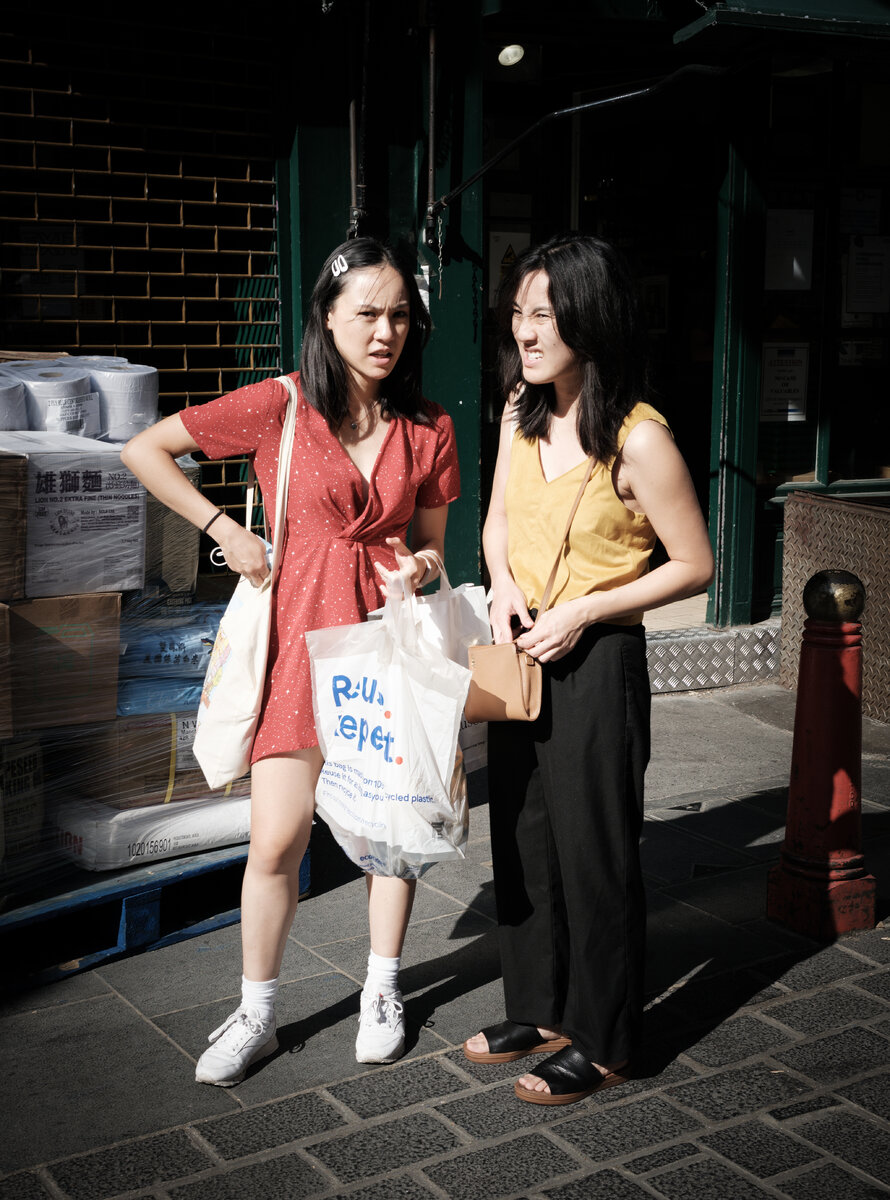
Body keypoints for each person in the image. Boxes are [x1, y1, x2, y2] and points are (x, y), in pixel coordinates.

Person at [122, 237, 460, 1086]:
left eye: (399, 316)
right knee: (276, 841)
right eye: (367, 313)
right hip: (298, 653)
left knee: (389, 836)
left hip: (382, 652)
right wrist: (224, 531)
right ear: (328, 317)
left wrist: (420, 566)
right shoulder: (280, 405)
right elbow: (145, 449)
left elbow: (432, 545)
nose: (385, 332)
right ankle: (257, 1012)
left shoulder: (429, 427)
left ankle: (382, 990)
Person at [463, 233, 714, 1105]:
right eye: (519, 313)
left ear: (590, 318)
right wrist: (502, 585)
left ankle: (608, 1039)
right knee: (524, 841)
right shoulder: (520, 409)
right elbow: (498, 520)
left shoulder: (640, 439)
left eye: (545, 314)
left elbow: (695, 564)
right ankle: (538, 1008)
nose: (525, 332)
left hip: (598, 658)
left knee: (595, 853)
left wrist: (584, 610)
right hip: (522, 649)